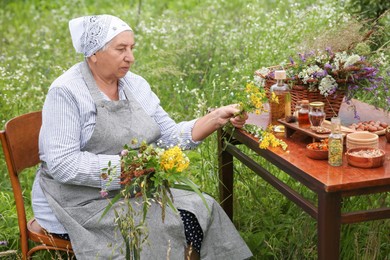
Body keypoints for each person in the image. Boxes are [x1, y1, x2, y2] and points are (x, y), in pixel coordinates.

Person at [32, 14, 252, 260]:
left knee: (203, 207)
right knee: (165, 225)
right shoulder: (66, 92)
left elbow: (167, 136)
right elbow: (63, 164)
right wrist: (129, 168)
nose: (131, 57)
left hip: (131, 190)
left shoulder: (134, 85)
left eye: (132, 48)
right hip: (78, 202)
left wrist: (215, 119)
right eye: (121, 49)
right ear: (94, 53)